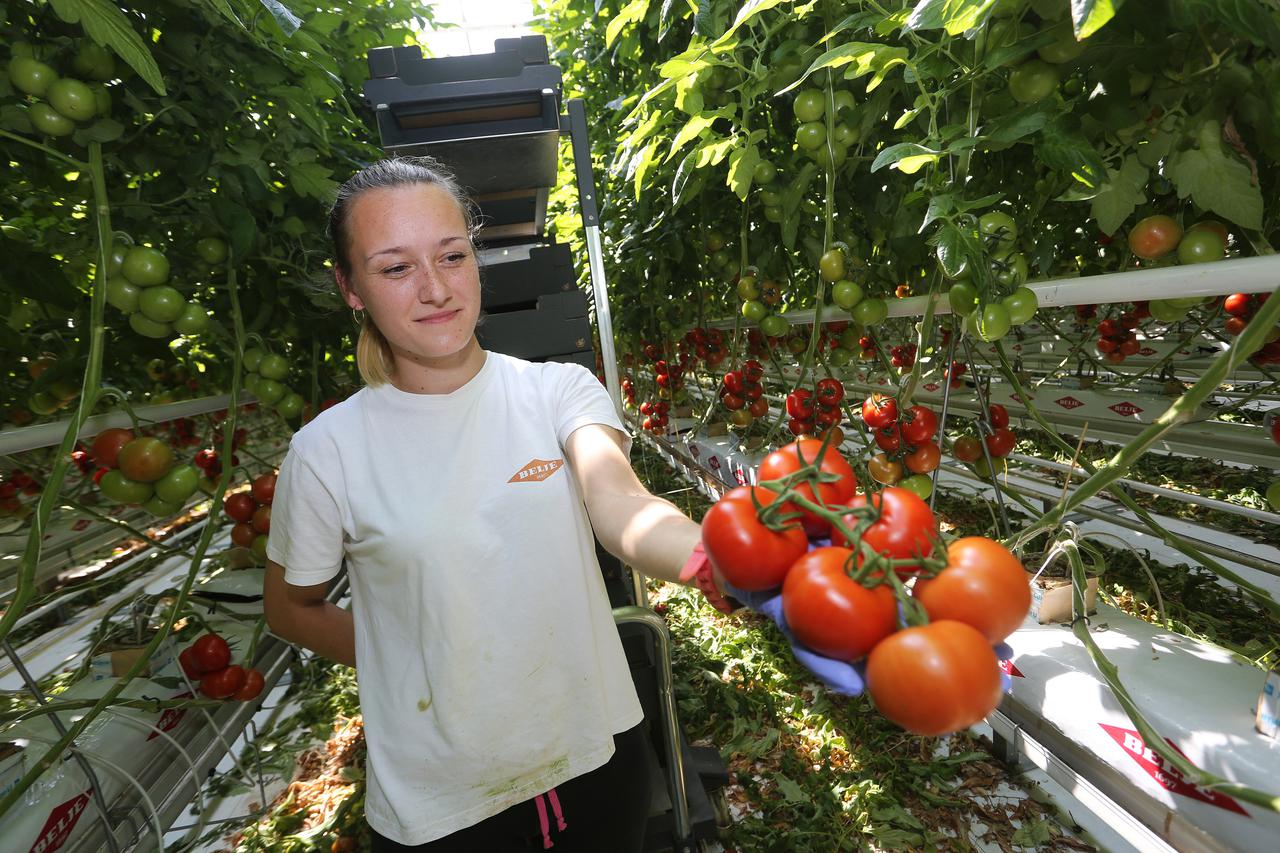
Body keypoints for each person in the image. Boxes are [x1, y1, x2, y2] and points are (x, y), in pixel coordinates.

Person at [261, 156, 730, 852]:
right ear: (350, 287)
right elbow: (289, 606)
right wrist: (416, 653)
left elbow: (621, 503)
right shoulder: (327, 451)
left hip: (595, 758)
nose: (434, 288)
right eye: (395, 268)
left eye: (451, 256)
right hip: (444, 805)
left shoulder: (556, 392)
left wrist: (713, 554)